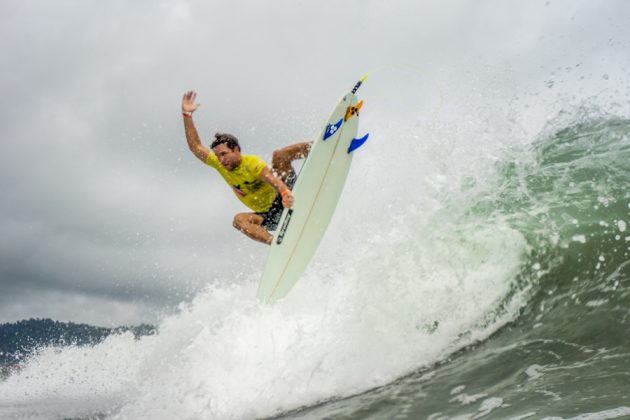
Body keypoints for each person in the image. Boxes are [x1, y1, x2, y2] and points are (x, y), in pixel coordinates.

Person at [181, 90, 310, 245]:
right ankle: (277, 244)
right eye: (218, 156)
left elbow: (271, 178)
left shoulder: (251, 163)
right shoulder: (220, 165)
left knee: (279, 155)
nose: (221, 160)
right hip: (269, 216)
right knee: (239, 220)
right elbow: (195, 147)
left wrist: (285, 193)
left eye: (224, 154)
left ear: (236, 150)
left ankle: (319, 146)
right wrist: (187, 115)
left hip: (284, 196)